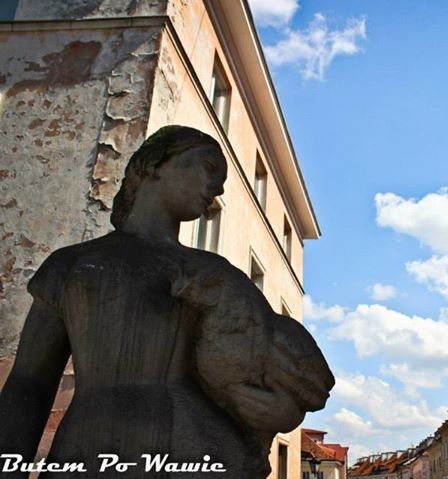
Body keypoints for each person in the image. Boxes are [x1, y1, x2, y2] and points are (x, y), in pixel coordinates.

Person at [0, 125, 333, 478]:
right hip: (89, 447)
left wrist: (284, 412)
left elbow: (273, 361)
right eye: (207, 167)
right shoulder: (72, 265)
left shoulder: (212, 275)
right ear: (153, 164)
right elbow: (28, 382)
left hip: (193, 449)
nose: (218, 188)